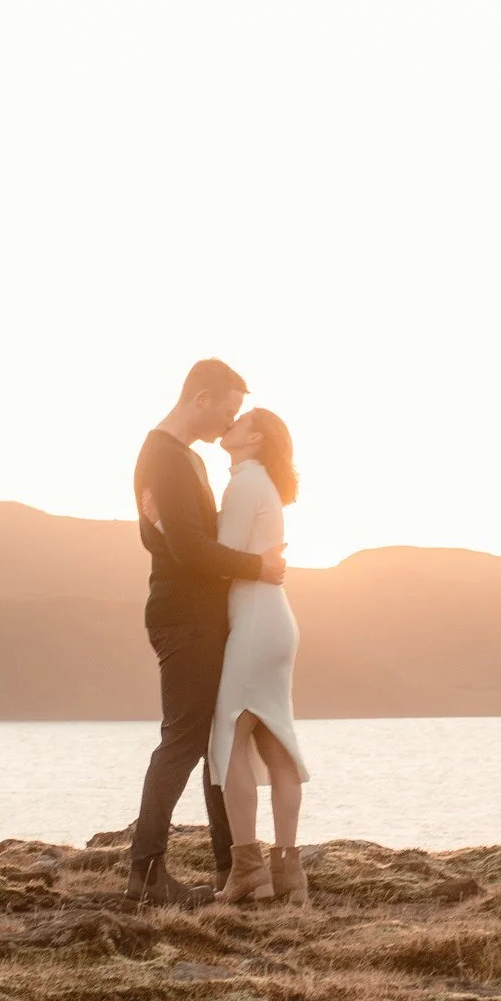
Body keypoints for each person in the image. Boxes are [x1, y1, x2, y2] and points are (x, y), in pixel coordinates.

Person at [126, 360, 286, 907]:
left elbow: (195, 539)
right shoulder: (164, 458)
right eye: (228, 409)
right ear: (200, 399)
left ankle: (232, 867)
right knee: (186, 739)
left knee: (218, 739)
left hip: (200, 615)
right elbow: (187, 549)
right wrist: (257, 568)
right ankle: (145, 872)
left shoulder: (187, 457)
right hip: (184, 617)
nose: (229, 420)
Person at [209, 408, 308, 905]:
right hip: (276, 621)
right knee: (274, 740)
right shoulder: (264, 483)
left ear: (254, 437)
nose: (229, 423)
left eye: (239, 419)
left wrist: (165, 527)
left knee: (230, 735)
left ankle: (248, 869)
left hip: (253, 620)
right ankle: (289, 872)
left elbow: (220, 556)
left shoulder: (245, 482)